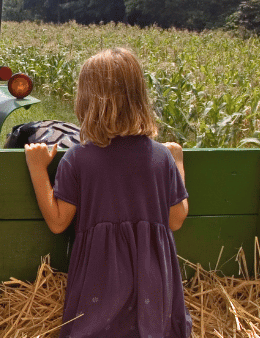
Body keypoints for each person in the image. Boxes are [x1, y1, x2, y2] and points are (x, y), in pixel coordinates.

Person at [24, 48, 191, 338]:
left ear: (85, 102)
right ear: (140, 99)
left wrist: (38, 169)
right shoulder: (160, 157)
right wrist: (177, 162)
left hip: (99, 284)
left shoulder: (77, 159)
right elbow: (176, 218)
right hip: (152, 287)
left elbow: (58, 221)